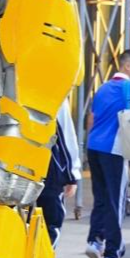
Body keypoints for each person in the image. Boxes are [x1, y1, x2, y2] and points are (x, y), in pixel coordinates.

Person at [84, 49, 130, 258]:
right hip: (115, 149)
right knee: (116, 201)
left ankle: (94, 241)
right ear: (127, 67)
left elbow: (92, 118)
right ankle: (112, 256)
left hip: (94, 147)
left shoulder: (102, 88)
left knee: (101, 197)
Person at [38, 101, 82, 248]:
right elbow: (65, 133)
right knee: (50, 224)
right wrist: (71, 174)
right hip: (47, 168)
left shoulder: (5, 81)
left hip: (10, 167)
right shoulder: (55, 87)